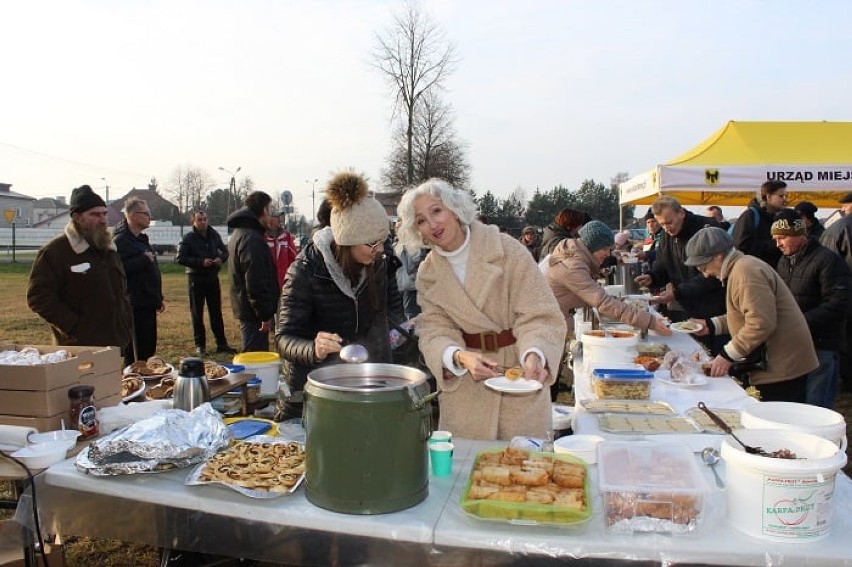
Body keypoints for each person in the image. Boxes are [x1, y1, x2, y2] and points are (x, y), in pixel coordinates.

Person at [397, 178, 566, 441]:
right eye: (420, 220)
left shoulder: (508, 250)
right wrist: (459, 356)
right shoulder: (428, 274)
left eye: (436, 211)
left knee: (526, 473)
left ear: (454, 209)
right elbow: (434, 330)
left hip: (519, 379)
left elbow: (539, 314)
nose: (432, 224)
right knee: (468, 475)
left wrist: (535, 354)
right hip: (466, 389)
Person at [274, 171, 393, 421]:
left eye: (382, 241)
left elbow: (379, 325)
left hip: (359, 383)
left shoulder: (377, 264)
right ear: (347, 242)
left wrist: (387, 378)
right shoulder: (305, 271)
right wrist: (313, 348)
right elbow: (284, 338)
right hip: (309, 392)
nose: (380, 250)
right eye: (372, 243)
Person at [686, 227, 818, 403]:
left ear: (718, 255)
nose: (705, 273)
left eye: (704, 266)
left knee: (777, 423)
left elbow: (760, 323)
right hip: (779, 363)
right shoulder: (741, 267)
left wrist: (727, 356)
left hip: (782, 367)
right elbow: (744, 315)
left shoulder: (745, 271)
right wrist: (710, 325)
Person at [27, 185, 133, 350]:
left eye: (104, 214)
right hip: (77, 347)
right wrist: (73, 327)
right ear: (77, 217)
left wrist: (125, 322)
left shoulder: (109, 249)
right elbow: (39, 298)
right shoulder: (55, 252)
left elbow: (121, 291)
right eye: (95, 215)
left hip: (115, 343)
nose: (103, 220)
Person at [771, 209, 849, 408]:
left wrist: (798, 322)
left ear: (799, 235)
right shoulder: (784, 261)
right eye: (775, 238)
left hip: (821, 346)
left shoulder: (828, 260)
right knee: (797, 405)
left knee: (817, 406)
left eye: (782, 238)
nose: (777, 244)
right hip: (795, 346)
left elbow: (839, 303)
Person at [633, 197, 727, 356]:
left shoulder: (706, 230)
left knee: (715, 358)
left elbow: (713, 275)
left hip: (714, 309)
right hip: (687, 310)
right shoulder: (667, 236)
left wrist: (678, 292)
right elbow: (663, 264)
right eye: (662, 224)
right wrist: (652, 277)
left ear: (681, 213)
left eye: (669, 222)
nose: (666, 228)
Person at [547, 221, 671, 336]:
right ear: (592, 247)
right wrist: (649, 322)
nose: (608, 254)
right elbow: (603, 302)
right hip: (550, 325)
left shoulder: (575, 259)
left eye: (609, 249)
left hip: (557, 320)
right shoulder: (572, 266)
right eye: (605, 249)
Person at [112, 197, 164, 366]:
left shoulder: (141, 239)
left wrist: (158, 297)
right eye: (146, 213)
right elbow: (118, 271)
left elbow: (151, 271)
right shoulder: (121, 241)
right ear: (133, 216)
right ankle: (133, 383)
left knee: (148, 349)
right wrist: (142, 259)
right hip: (134, 305)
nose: (150, 217)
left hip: (148, 302)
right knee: (135, 353)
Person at [176, 210, 235, 355]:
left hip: (212, 277)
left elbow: (225, 251)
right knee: (197, 313)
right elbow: (180, 258)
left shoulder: (213, 235)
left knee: (216, 312)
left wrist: (220, 259)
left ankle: (221, 344)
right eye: (199, 220)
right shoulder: (188, 238)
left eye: (204, 219)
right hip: (196, 278)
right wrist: (200, 262)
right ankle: (200, 345)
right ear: (193, 222)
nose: (203, 222)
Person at [227, 192, 278, 352]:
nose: (270, 215)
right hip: (253, 314)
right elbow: (255, 281)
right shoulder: (251, 239)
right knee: (255, 359)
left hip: (248, 309)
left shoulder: (241, 233)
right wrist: (263, 314)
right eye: (269, 210)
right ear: (263, 210)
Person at [820, 191, 852, 392]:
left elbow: (827, 264)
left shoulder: (839, 228)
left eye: (845, 206)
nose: (842, 209)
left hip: (842, 295)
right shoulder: (842, 227)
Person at [732, 180, 787, 268]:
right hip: (752, 272)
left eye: (785, 196)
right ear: (768, 197)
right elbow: (741, 246)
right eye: (781, 196)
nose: (784, 199)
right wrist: (775, 244)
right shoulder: (750, 215)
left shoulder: (777, 217)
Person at [394, 219, 427, 320]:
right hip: (400, 286)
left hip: (410, 286)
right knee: (404, 315)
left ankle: (414, 334)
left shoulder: (411, 245)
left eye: (399, 228)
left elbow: (412, 265)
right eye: (396, 228)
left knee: (411, 314)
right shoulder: (397, 245)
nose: (397, 230)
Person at [265, 210, 298, 293]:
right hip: (267, 283)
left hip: (284, 282)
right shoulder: (262, 236)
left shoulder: (286, 236)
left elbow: (294, 258)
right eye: (277, 217)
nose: (280, 219)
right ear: (269, 219)